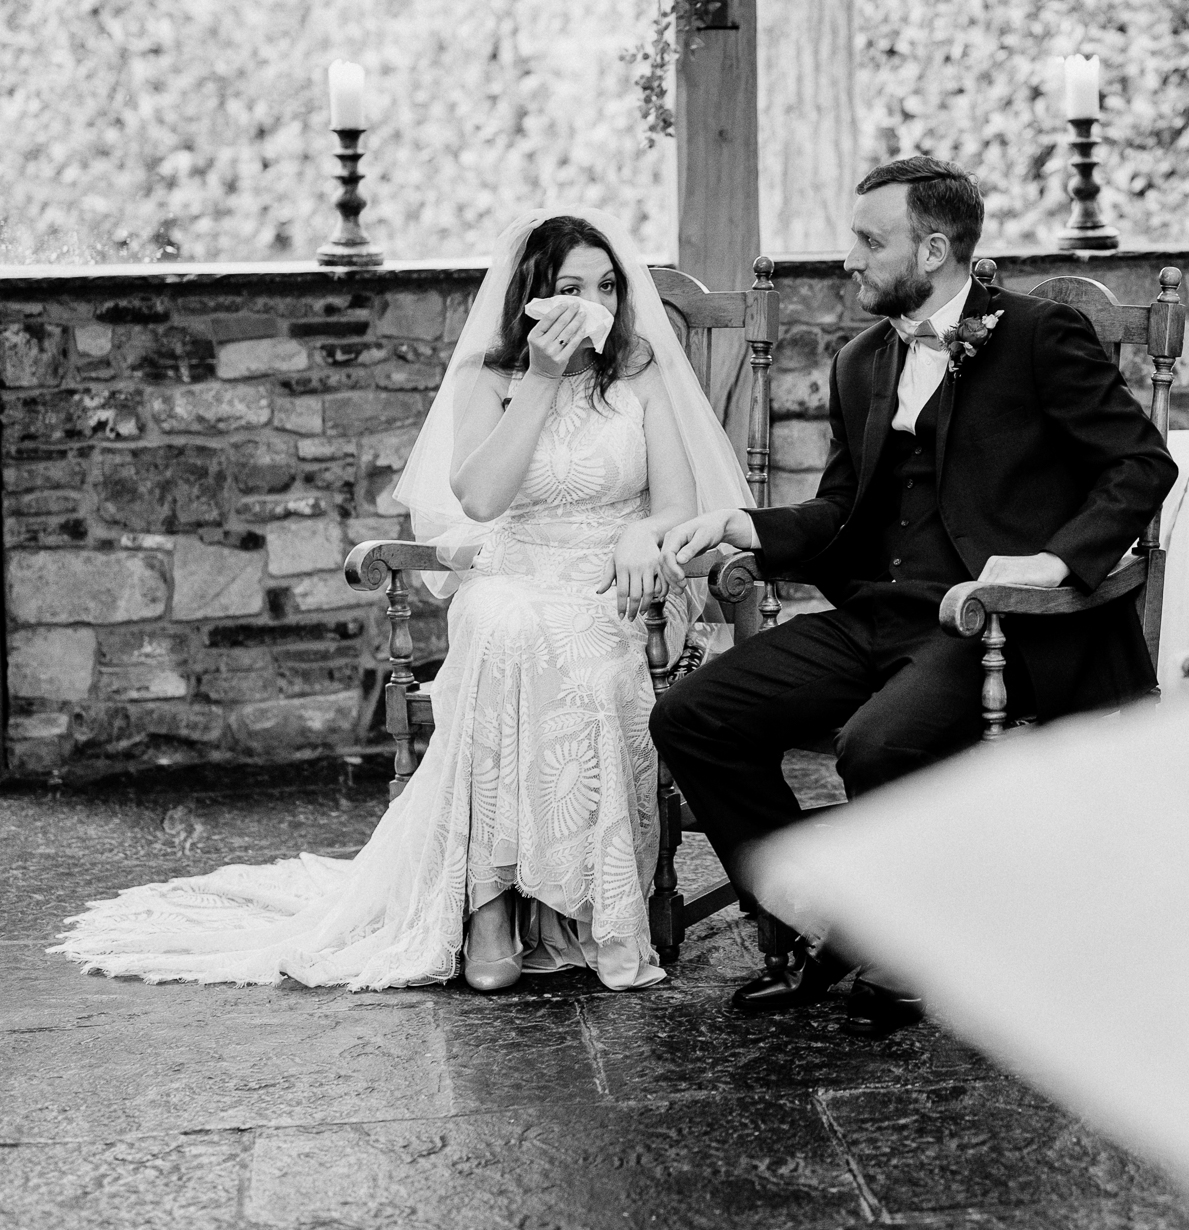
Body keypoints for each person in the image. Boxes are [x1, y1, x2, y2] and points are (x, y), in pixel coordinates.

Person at [54, 208, 752, 993]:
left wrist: (641, 536)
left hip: (614, 586)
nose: (591, 303)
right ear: (530, 297)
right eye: (568, 288)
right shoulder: (487, 380)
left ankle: (578, 910)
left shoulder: (641, 372)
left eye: (604, 287)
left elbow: (677, 507)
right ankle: (488, 900)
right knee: (500, 623)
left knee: (589, 673)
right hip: (517, 569)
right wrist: (544, 382)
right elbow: (482, 500)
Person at [651, 157, 1178, 1038]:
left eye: (868, 240)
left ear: (933, 249)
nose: (848, 258)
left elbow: (1142, 464)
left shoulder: (1041, 336)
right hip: (879, 614)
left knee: (877, 747)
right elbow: (838, 510)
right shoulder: (862, 361)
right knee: (696, 716)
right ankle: (816, 921)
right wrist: (746, 528)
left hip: (1000, 625)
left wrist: (1050, 564)